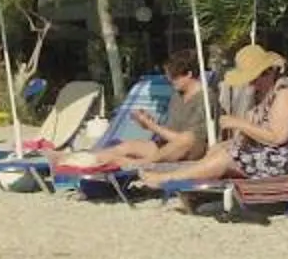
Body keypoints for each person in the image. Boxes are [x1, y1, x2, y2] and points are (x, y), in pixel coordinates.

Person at [136, 45, 288, 187]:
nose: (250, 85)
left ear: (266, 73)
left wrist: (239, 123)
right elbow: (260, 134)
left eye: (252, 79)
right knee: (219, 149)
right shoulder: (264, 95)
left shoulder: (285, 92)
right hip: (277, 155)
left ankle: (169, 179)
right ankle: (198, 186)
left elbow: (278, 137)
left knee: (227, 157)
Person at [61, 50, 212, 171]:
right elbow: (170, 133)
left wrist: (153, 127)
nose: (170, 81)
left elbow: (189, 140)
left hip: (192, 151)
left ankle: (142, 164)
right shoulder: (177, 96)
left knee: (186, 139)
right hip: (166, 149)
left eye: (173, 77)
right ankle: (84, 161)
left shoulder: (205, 98)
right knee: (127, 147)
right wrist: (148, 124)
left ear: (189, 74)